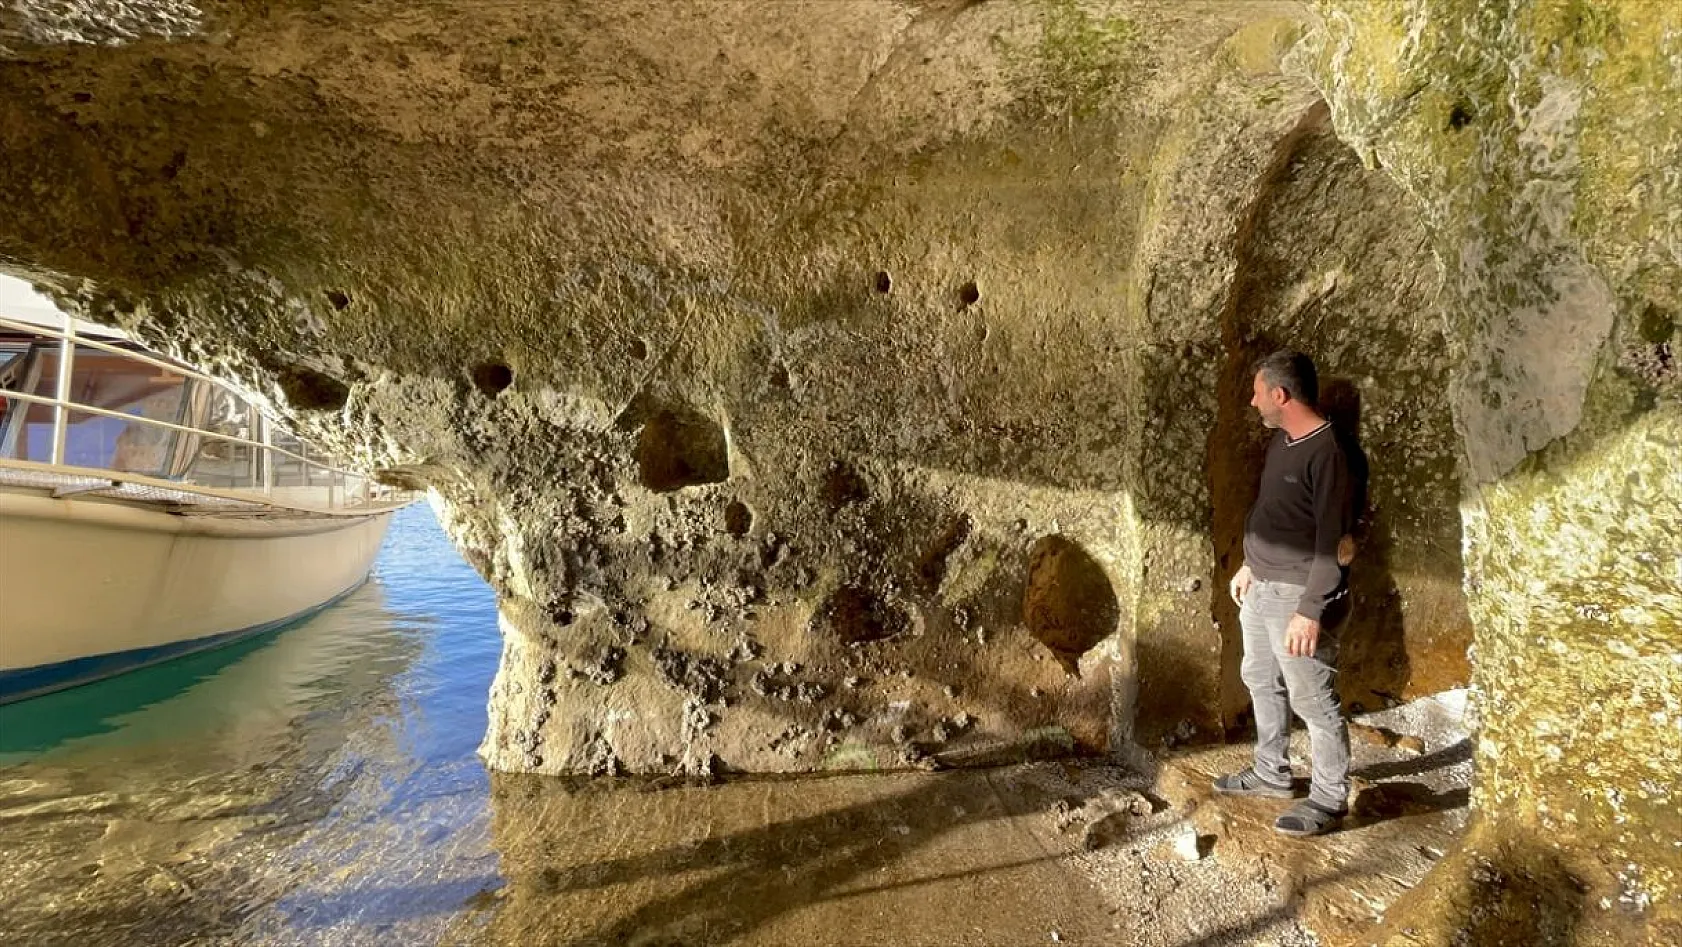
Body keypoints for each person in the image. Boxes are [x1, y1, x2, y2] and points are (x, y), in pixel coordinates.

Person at [1215, 349, 1353, 837]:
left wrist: (1310, 610)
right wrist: (1250, 564)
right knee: (1259, 677)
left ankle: (1330, 798)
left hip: (1296, 595)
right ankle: (1271, 772)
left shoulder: (1328, 455)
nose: (1253, 402)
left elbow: (1334, 543)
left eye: (1258, 393)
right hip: (1261, 586)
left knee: (1312, 697)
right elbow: (1275, 513)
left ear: (1280, 394)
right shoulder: (1283, 441)